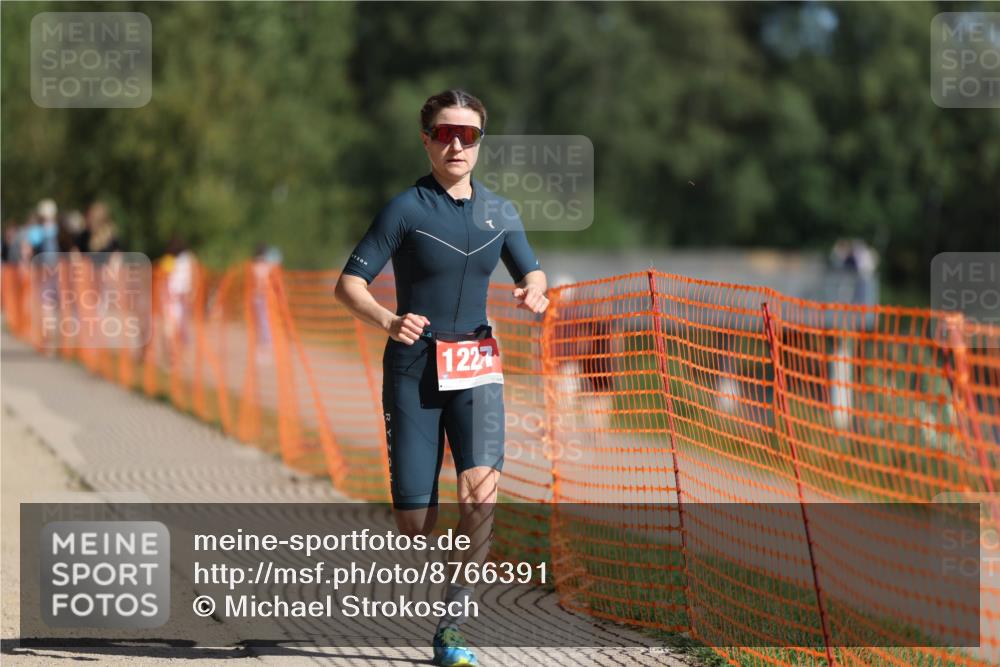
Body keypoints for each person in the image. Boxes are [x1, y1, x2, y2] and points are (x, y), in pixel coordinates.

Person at [334, 89, 548, 667]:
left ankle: (453, 624)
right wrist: (387, 318)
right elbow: (348, 285)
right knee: (415, 524)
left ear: (480, 142)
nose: (457, 144)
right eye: (445, 134)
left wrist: (534, 288)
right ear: (426, 139)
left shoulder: (500, 212)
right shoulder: (404, 209)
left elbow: (532, 270)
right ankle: (427, 544)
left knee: (481, 493)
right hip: (413, 368)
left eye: (469, 135)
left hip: (477, 365)